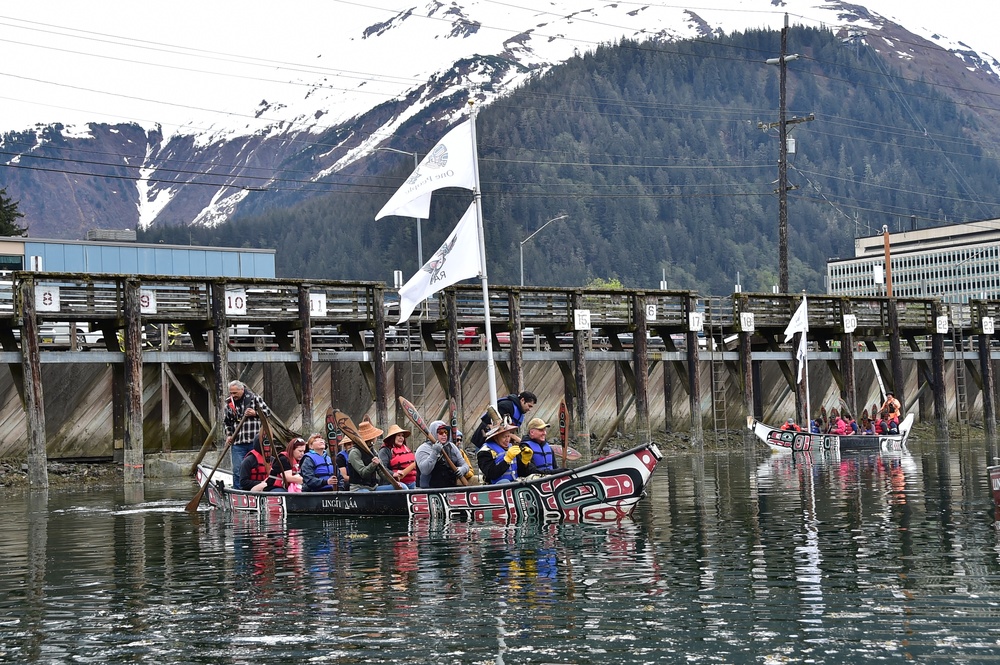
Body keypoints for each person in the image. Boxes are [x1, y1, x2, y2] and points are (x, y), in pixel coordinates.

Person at [224, 379, 274, 490]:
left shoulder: (254, 399)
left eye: (235, 393)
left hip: (254, 442)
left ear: (242, 390)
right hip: (238, 442)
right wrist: (229, 435)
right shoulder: (229, 403)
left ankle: (261, 489)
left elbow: (267, 413)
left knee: (257, 467)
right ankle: (238, 492)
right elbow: (227, 422)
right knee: (238, 469)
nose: (233, 395)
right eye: (231, 393)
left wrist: (255, 413)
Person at [477, 419, 541, 484]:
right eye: (504, 437)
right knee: (505, 482)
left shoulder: (513, 448)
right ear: (495, 438)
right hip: (493, 488)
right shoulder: (484, 452)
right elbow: (491, 474)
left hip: (514, 485)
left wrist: (525, 463)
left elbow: (522, 474)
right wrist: (507, 460)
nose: (507, 440)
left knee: (535, 477)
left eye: (508, 436)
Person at [469, 391, 537, 448]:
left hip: (500, 442)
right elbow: (499, 428)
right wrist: (519, 440)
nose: (529, 409)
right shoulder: (506, 406)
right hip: (484, 440)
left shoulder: (519, 412)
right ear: (522, 400)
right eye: (529, 406)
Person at [415, 420, 469, 488]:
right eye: (440, 432)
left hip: (450, 489)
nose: (444, 435)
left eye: (446, 432)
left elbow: (465, 465)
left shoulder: (452, 446)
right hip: (427, 491)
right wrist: (435, 452)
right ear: (434, 433)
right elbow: (425, 470)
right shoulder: (423, 449)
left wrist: (462, 469)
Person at [347, 420, 384, 491]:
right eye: (375, 436)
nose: (376, 438)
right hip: (358, 488)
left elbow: (381, 471)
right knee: (367, 494)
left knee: (403, 487)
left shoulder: (373, 451)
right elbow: (363, 473)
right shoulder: (354, 452)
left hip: (374, 487)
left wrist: (394, 478)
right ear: (371, 439)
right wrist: (373, 465)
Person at [378, 424, 417, 489]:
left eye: (402, 436)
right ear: (392, 437)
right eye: (398, 435)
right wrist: (393, 473)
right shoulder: (385, 451)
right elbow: (382, 469)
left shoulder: (405, 448)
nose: (401, 438)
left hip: (412, 483)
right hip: (394, 485)